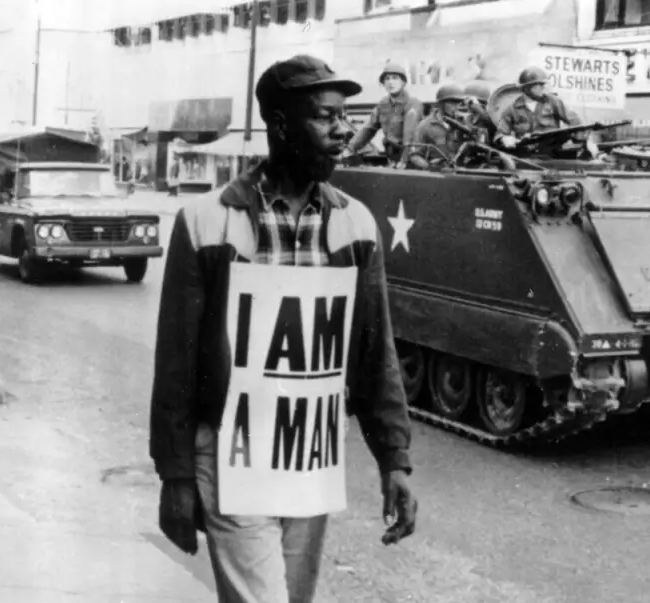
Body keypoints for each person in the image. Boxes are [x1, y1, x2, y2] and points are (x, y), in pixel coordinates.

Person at [151, 54, 417, 603]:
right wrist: (175, 476)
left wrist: (395, 459)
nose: (343, 129)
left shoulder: (355, 224)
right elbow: (175, 362)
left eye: (345, 115)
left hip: (308, 457)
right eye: (326, 116)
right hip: (231, 456)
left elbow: (374, 353)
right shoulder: (206, 221)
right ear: (279, 126)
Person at [343, 62, 424, 168]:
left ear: (403, 82)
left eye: (395, 78)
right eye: (387, 79)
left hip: (411, 159)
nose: (391, 82)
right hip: (392, 157)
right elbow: (368, 128)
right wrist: (349, 149)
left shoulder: (413, 104)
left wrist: (404, 161)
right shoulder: (383, 105)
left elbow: (410, 137)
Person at [495, 66, 581, 151]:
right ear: (526, 88)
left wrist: (578, 140)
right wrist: (505, 139)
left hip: (552, 155)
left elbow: (576, 122)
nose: (542, 88)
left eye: (542, 85)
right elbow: (500, 134)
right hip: (525, 156)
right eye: (538, 85)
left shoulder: (553, 102)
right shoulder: (512, 109)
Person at [408, 83, 469, 170]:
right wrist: (431, 167)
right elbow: (414, 155)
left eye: (458, 103)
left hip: (462, 172)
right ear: (441, 104)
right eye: (451, 104)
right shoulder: (425, 126)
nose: (456, 107)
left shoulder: (464, 124)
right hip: (439, 175)